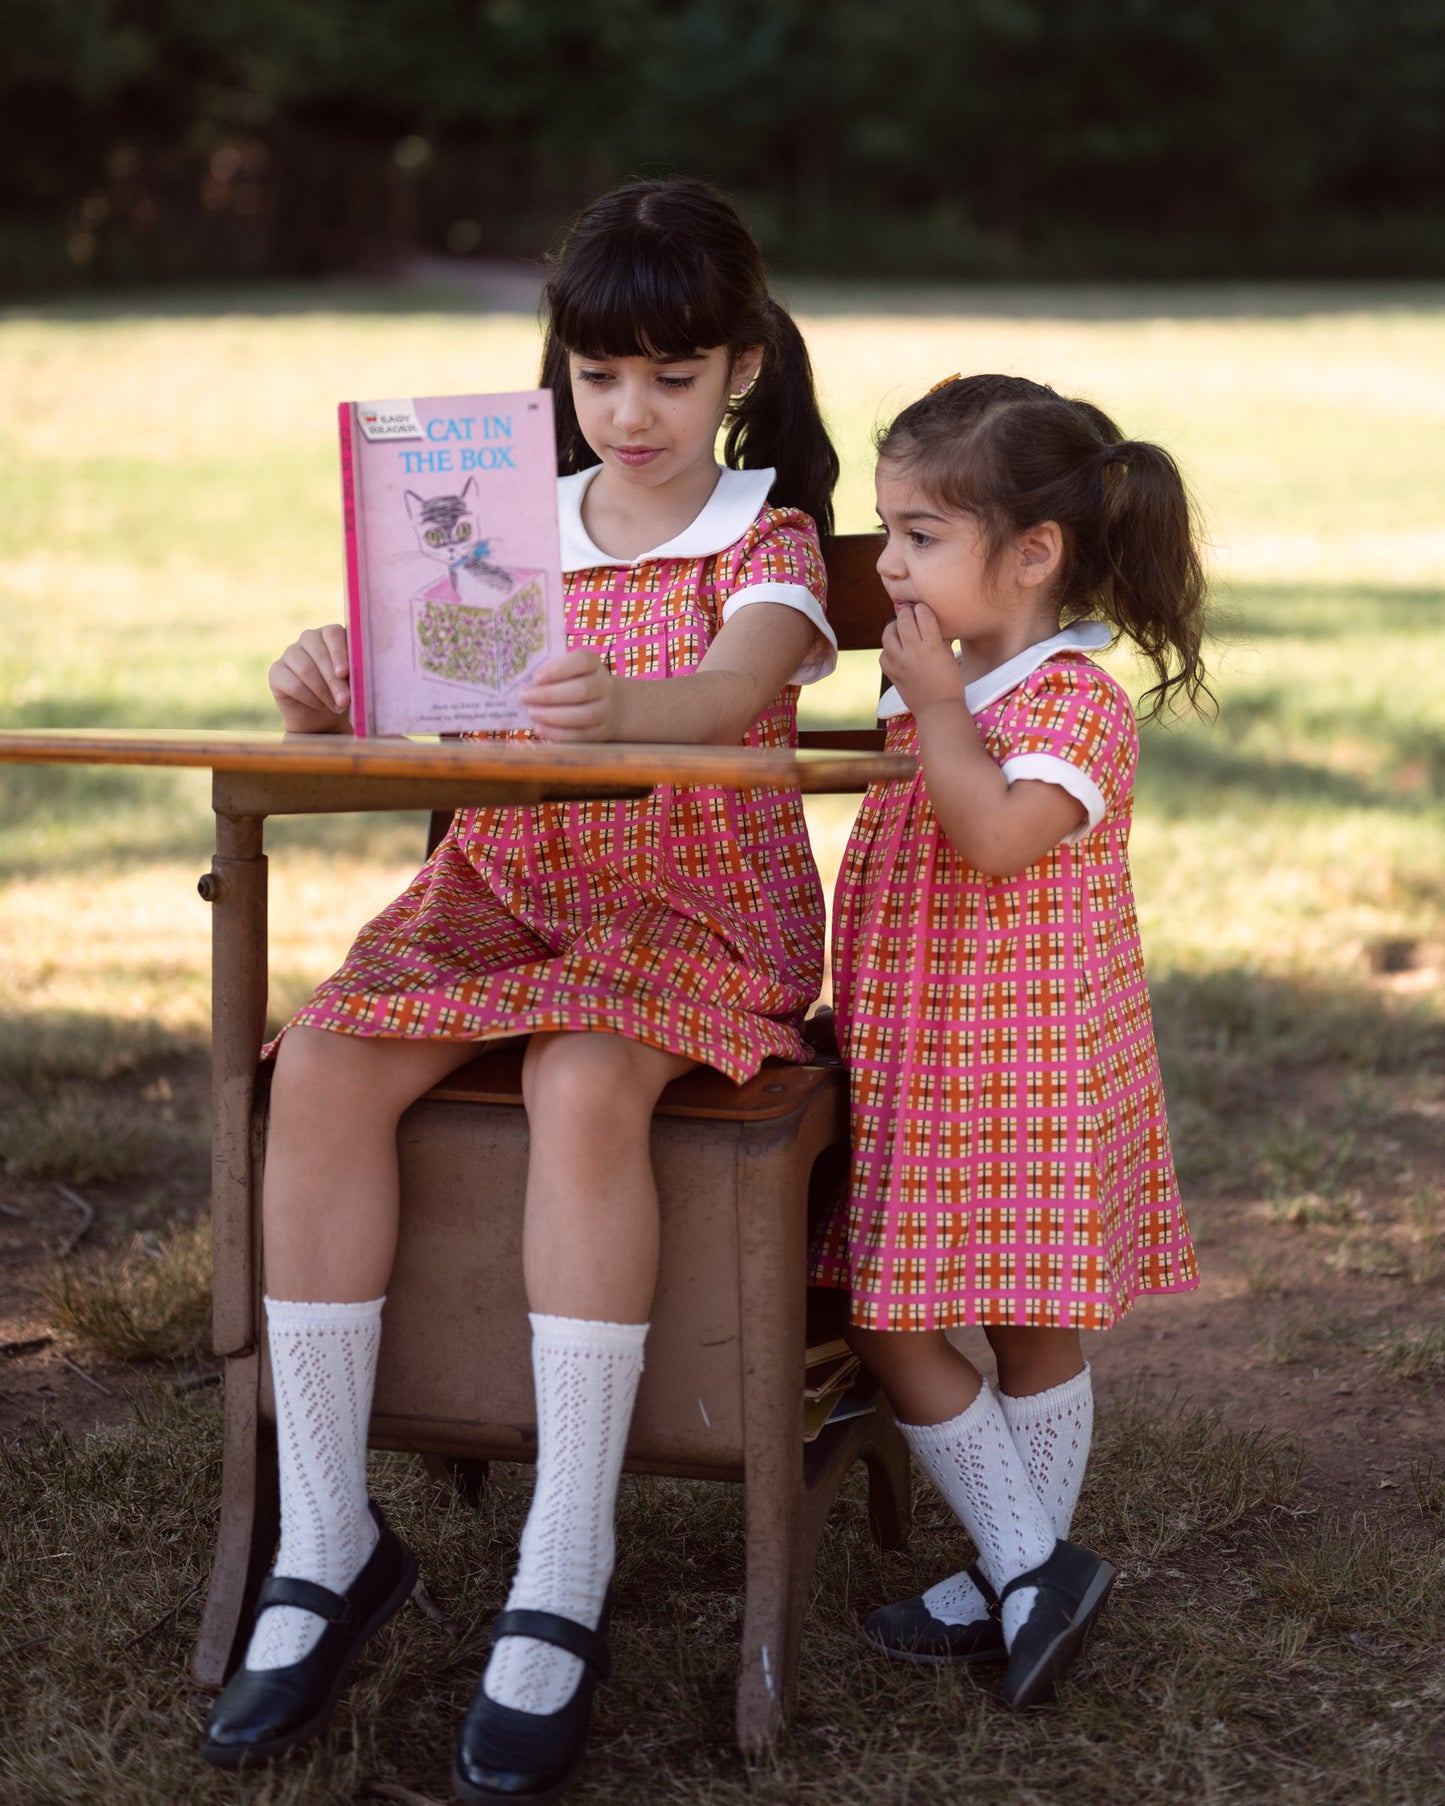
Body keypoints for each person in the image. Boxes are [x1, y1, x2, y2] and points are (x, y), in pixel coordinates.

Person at [201, 177, 841, 1801]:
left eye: (672, 378)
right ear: (561, 371)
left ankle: (566, 1552)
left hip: (692, 904)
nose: (630, 413)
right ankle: (331, 1533)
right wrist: (334, 684)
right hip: (505, 896)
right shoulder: (496, 521)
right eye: (599, 375)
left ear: (741, 371)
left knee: (577, 1073)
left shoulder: (762, 539)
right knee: (329, 1051)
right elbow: (422, 710)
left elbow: (724, 694)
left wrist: (619, 694)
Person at [810, 372, 1208, 1711]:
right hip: (926, 1054)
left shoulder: (1070, 701)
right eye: (886, 530)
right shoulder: (957, 675)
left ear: (1030, 554)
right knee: (908, 1308)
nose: (887, 562)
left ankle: (1015, 1567)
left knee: (977, 1322)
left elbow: (989, 837)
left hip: (1028, 1069)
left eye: (919, 535)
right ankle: (1027, 1565)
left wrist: (929, 708)